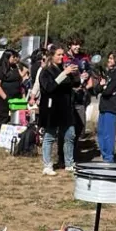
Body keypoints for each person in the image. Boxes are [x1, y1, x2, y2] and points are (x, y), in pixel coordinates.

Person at [38, 44, 80, 176]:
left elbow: (74, 84)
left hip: (66, 108)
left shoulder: (63, 68)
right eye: (59, 54)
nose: (62, 57)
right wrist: (64, 74)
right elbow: (49, 87)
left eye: (63, 54)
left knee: (70, 134)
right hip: (52, 108)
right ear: (52, 56)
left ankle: (69, 163)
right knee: (49, 136)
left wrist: (78, 75)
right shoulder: (46, 71)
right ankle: (47, 165)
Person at [96, 51, 116, 163]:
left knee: (108, 133)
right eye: (109, 58)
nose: (109, 61)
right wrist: (103, 86)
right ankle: (104, 154)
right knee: (101, 131)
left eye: (111, 58)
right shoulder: (109, 72)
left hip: (113, 106)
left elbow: (108, 90)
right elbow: (99, 89)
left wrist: (105, 87)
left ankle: (109, 158)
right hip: (104, 106)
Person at [0, 50, 23, 133]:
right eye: (13, 57)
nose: (15, 59)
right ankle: (1, 134)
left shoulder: (15, 67)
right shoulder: (0, 69)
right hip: (5, 97)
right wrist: (6, 98)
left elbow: (21, 77)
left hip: (16, 97)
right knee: (4, 116)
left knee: (17, 116)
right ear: (7, 57)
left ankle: (15, 133)